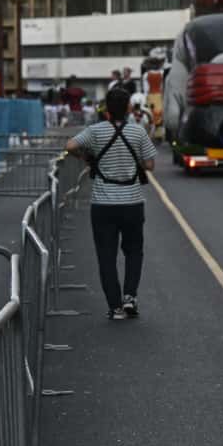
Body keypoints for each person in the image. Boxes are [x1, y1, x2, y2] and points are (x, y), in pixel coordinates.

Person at [64, 88, 157, 320]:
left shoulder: (95, 131)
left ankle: (115, 307)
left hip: (103, 205)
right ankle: (130, 298)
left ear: (106, 108)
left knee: (106, 255)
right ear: (128, 108)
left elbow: (70, 146)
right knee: (134, 251)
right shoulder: (138, 132)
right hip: (132, 203)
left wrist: (87, 158)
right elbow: (150, 165)